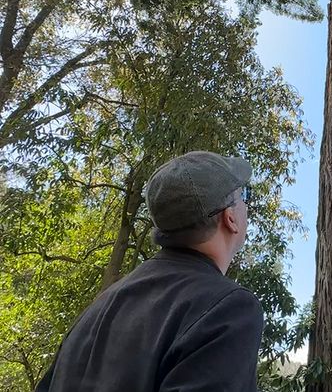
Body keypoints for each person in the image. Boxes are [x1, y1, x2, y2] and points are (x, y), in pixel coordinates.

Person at [36, 151, 264, 392]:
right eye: (244, 196)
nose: (246, 206)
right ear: (230, 218)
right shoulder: (227, 309)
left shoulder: (99, 308)